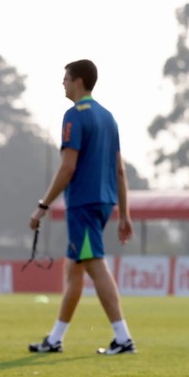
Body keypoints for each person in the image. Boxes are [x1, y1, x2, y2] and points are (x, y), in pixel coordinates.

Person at [28, 59, 136, 355]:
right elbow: (120, 171)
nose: (62, 83)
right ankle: (55, 339)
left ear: (78, 81)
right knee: (74, 268)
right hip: (103, 203)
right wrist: (124, 214)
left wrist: (42, 206)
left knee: (94, 263)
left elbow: (67, 168)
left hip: (84, 205)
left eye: (65, 78)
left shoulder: (74, 116)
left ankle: (123, 337)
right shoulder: (108, 117)